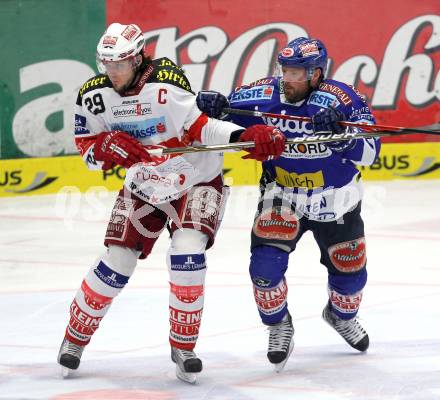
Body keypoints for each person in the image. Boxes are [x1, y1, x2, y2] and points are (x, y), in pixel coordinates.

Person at [58, 22, 285, 383]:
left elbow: (202, 128)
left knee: (187, 256)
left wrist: (244, 137)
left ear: (137, 57)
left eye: (119, 63)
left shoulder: (166, 82)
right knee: (116, 261)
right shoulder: (93, 95)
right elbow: (87, 148)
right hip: (146, 184)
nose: (112, 71)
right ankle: (74, 338)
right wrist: (103, 148)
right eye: (106, 64)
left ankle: (184, 346)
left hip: (196, 179)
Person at [196, 37, 381, 372]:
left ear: (316, 74)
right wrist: (211, 107)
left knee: (352, 278)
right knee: (264, 271)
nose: (288, 78)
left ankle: (339, 316)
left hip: (336, 200)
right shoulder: (260, 95)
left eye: (297, 72)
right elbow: (221, 118)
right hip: (281, 196)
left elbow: (371, 152)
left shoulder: (344, 99)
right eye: (285, 70)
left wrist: (341, 135)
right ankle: (279, 325)